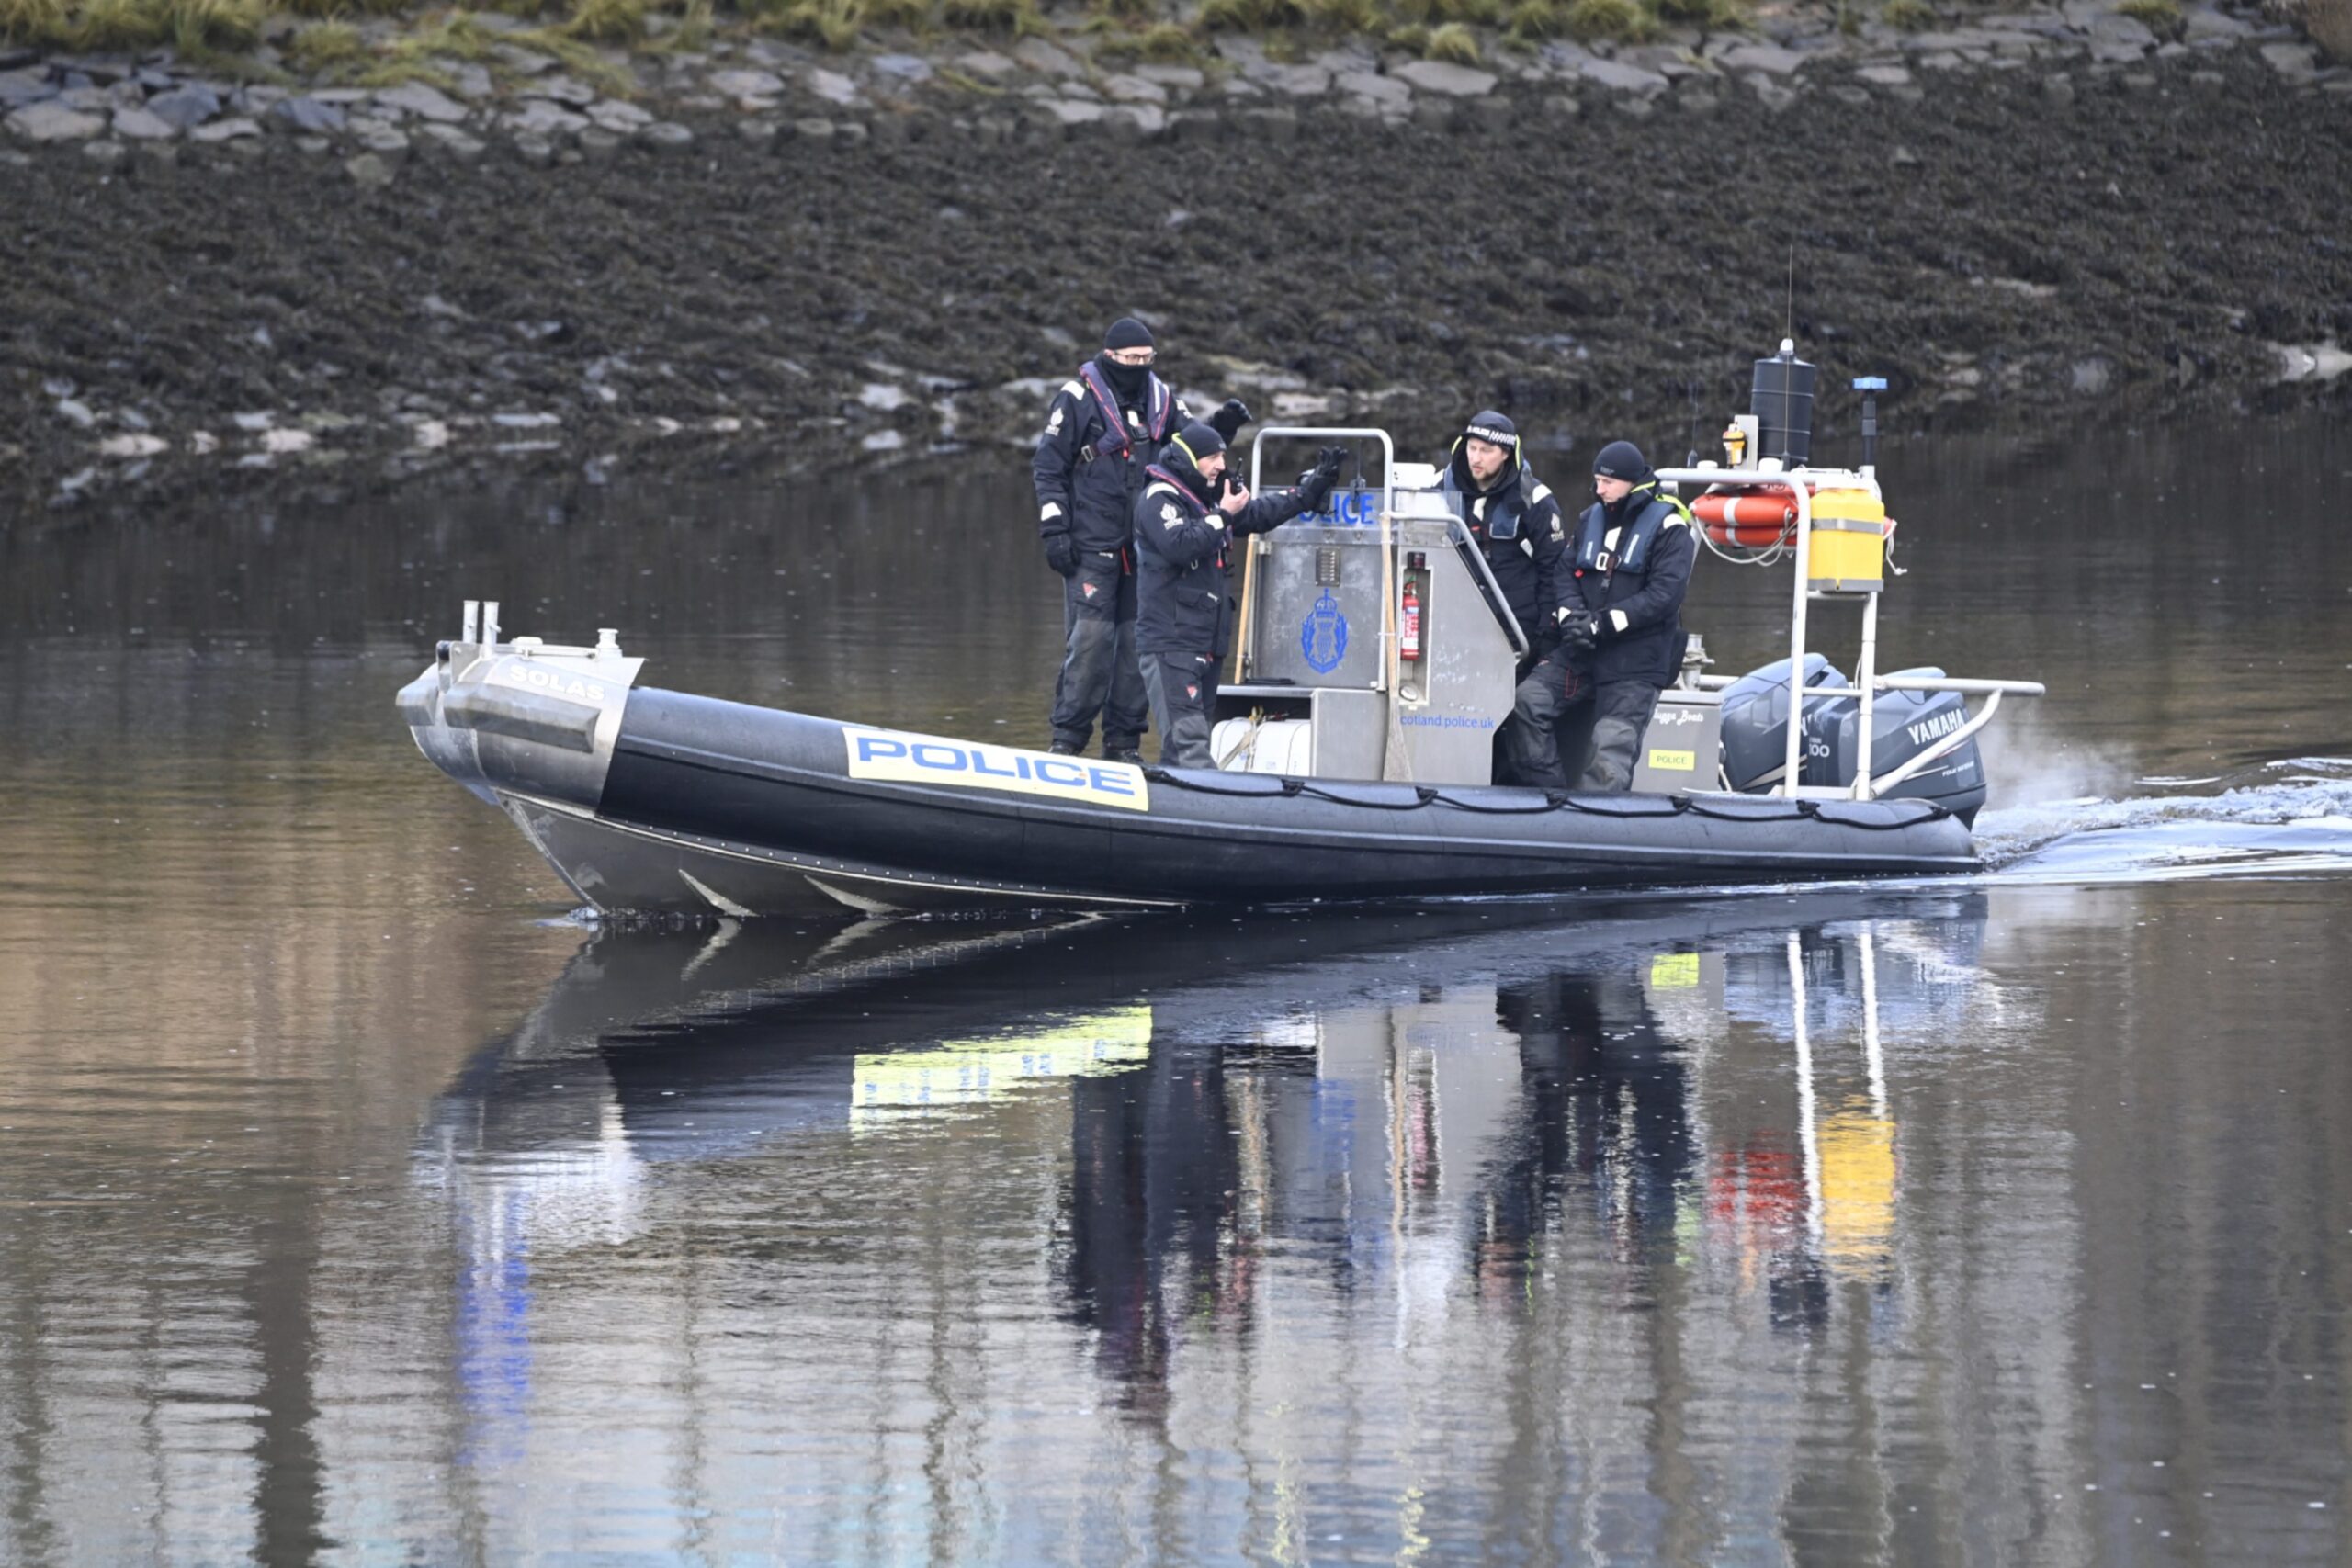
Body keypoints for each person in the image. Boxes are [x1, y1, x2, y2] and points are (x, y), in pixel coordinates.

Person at [1032, 317, 1250, 763]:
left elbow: (1192, 451)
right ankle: (1067, 743)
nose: (1139, 367)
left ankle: (1123, 744)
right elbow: (1048, 468)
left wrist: (1221, 429)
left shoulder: (1163, 400)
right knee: (1090, 643)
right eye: (1131, 359)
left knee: (1137, 646)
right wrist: (1054, 528)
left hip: (1146, 550)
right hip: (1090, 544)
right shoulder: (1076, 400)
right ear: (1110, 357)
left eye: (1146, 360)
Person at [1134, 423, 1344, 769]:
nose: (1220, 464)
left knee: (1183, 744)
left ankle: (1178, 813)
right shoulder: (1160, 498)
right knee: (1191, 746)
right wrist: (1224, 515)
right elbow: (1181, 545)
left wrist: (1306, 494)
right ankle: (1214, 811)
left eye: (1223, 456)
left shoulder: (1208, 500)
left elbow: (1259, 514)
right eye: (1212, 457)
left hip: (1204, 643)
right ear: (1190, 459)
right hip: (1171, 643)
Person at [1498, 439, 1697, 792]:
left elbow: (1664, 596)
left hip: (1636, 662)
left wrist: (1603, 622)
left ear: (1632, 483)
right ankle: (1550, 797)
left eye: (1607, 483)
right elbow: (1565, 571)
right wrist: (1572, 615)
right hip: (1581, 651)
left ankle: (1596, 824)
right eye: (1597, 481)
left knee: (1611, 748)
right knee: (1525, 702)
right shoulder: (1590, 520)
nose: (1599, 489)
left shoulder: (1670, 530)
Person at [1437, 411, 1569, 784]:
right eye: (1472, 449)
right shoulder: (1438, 490)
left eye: (1487, 451)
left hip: (1516, 635)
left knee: (1510, 720)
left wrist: (1544, 636)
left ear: (1507, 455)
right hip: (1455, 631)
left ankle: (1513, 791)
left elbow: (1554, 570)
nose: (1476, 458)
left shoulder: (1535, 500)